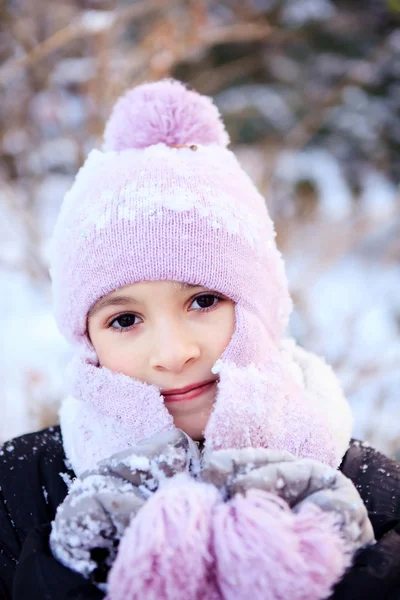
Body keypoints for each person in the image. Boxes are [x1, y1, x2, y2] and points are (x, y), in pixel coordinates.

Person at [0, 79, 399, 600]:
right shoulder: (21, 493)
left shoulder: (373, 494)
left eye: (204, 301)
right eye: (124, 320)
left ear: (263, 305)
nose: (174, 353)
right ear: (86, 340)